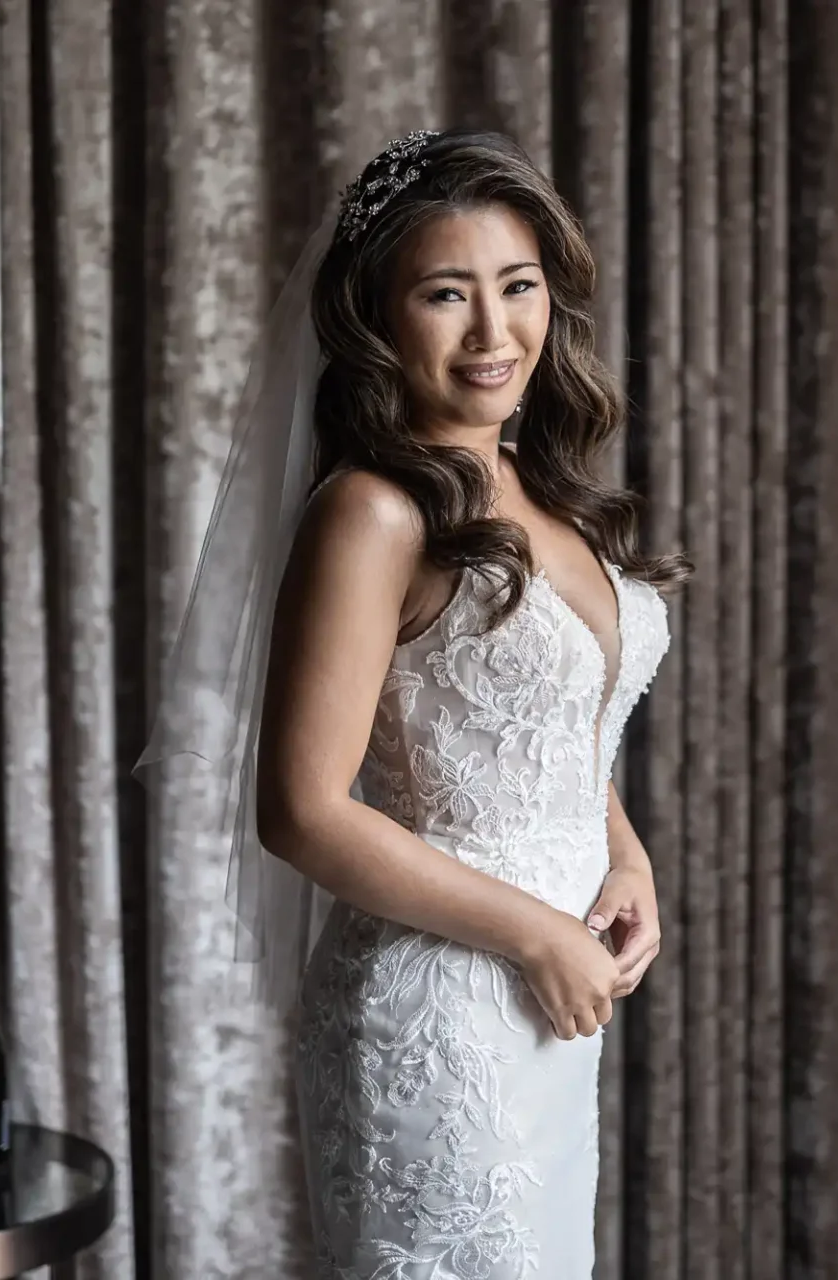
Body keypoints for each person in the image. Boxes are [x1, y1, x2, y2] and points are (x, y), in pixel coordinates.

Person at [141, 128, 687, 1277]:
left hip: (548, 1017)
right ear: (378, 316)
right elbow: (300, 810)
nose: (495, 333)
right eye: (447, 294)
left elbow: (558, 730)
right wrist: (539, 930)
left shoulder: (547, 489)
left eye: (519, 285)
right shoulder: (374, 512)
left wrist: (623, 857)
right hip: (436, 1021)